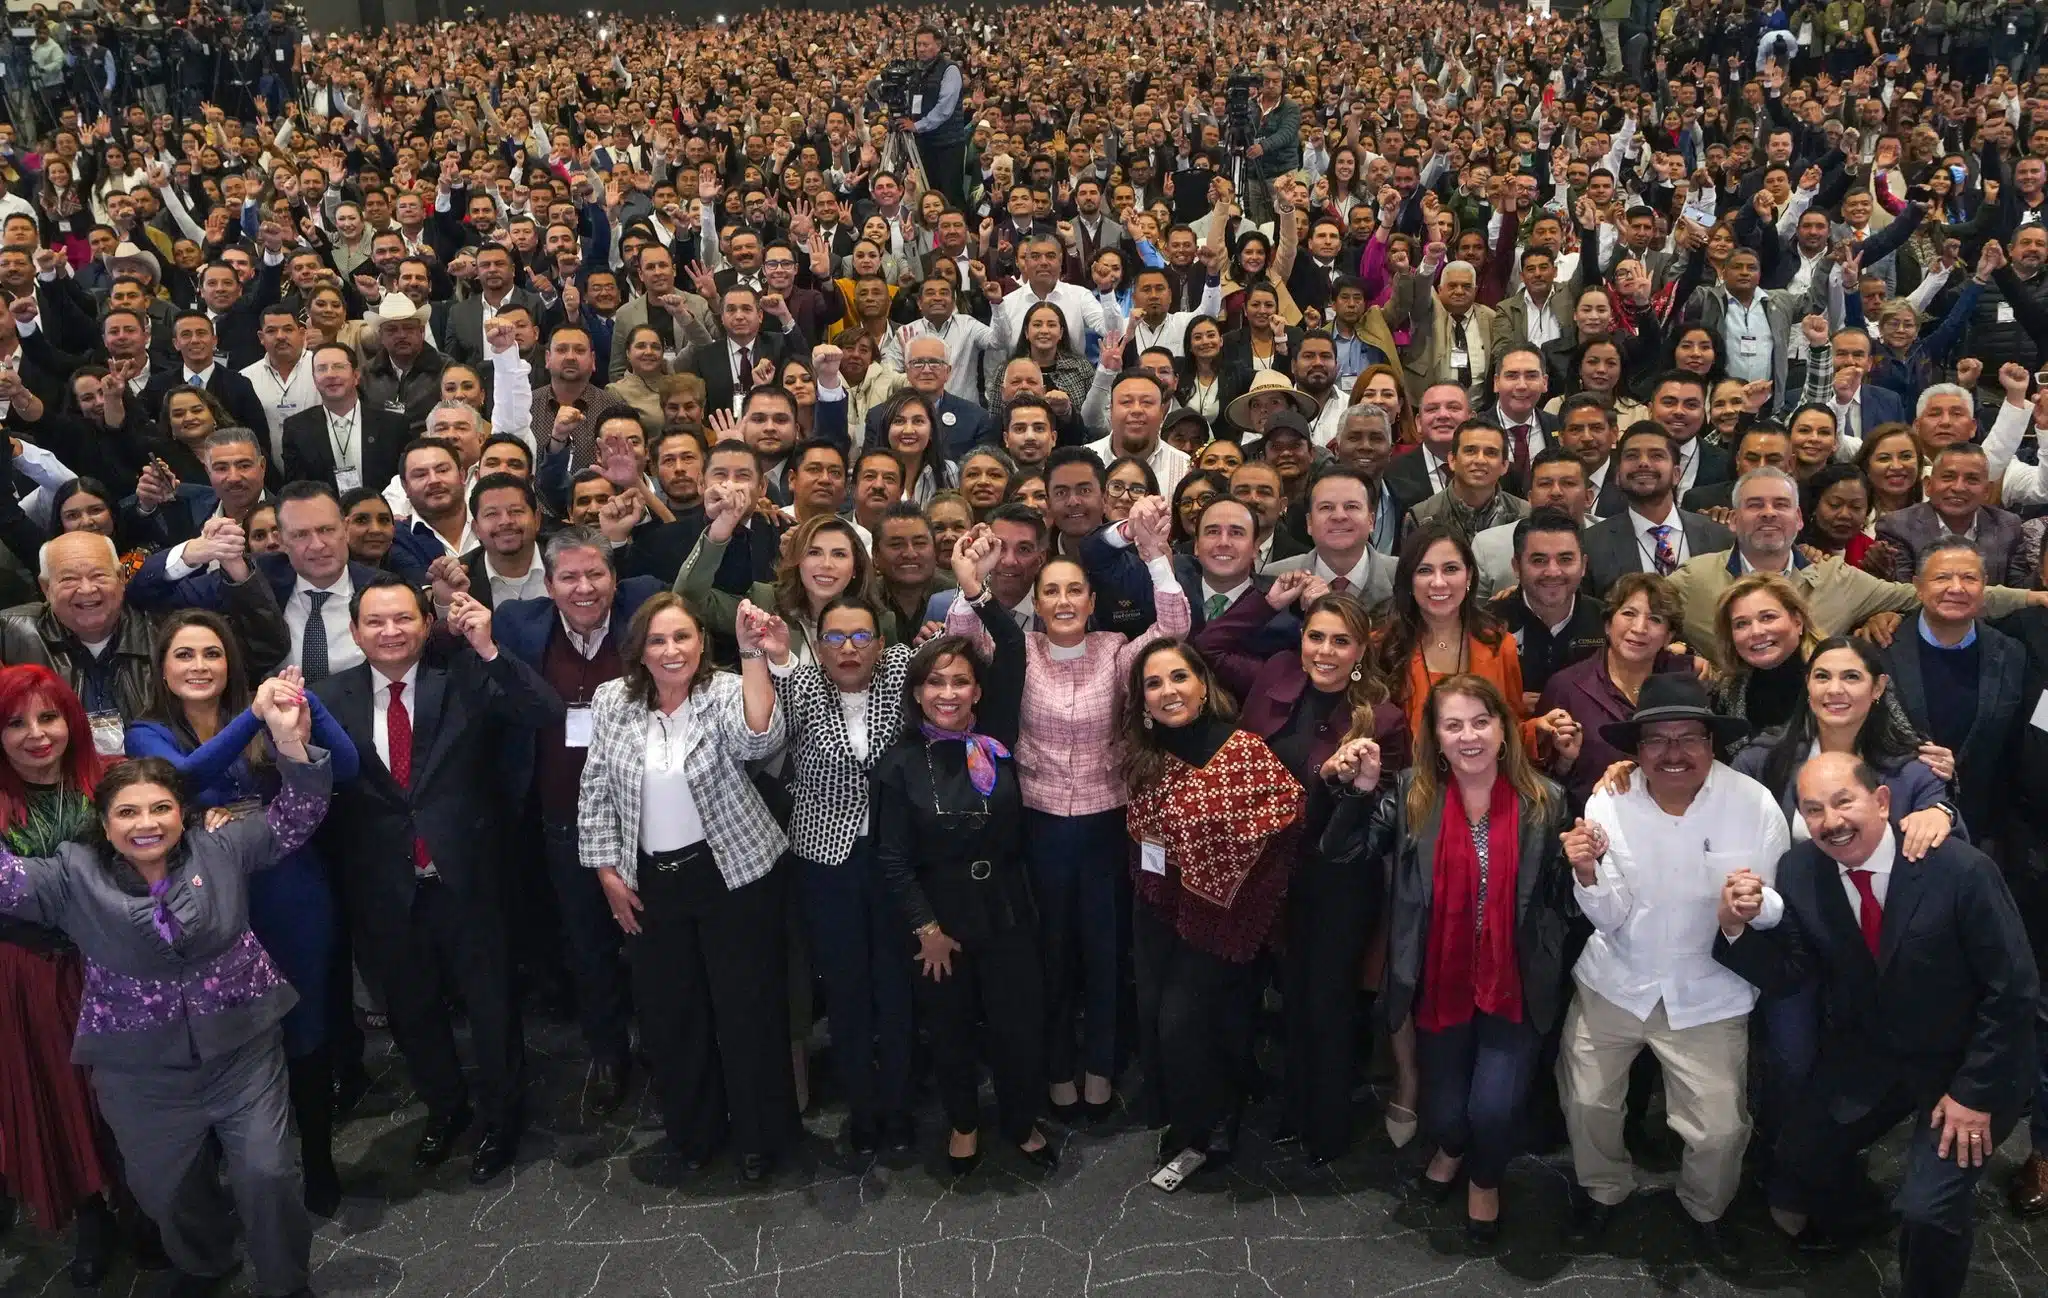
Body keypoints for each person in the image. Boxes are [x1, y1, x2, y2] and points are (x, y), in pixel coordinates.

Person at [0, 678, 333, 1298]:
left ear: (182, 812)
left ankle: (287, 1283)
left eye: (161, 808)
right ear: (103, 822)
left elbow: (300, 815)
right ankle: (208, 1265)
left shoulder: (224, 844)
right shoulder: (71, 873)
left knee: (267, 1175)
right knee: (166, 1192)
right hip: (137, 1070)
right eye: (127, 812)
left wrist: (292, 748)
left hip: (243, 1051)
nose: (146, 823)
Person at [1714, 753, 2038, 1298]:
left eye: (1844, 802)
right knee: (1800, 1151)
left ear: (1882, 802)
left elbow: (2013, 990)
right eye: (1814, 810)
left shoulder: (1960, 870)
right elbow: (1797, 971)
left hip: (1968, 1062)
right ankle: (1866, 1218)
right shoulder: (1801, 871)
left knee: (1930, 1210)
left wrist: (1974, 1093)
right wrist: (1733, 931)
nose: (1831, 821)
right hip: (1875, 1047)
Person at [310, 578, 565, 1186]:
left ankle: (503, 1117)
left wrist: (487, 647)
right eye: (376, 621)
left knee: (491, 1006)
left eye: (403, 619)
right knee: (412, 1012)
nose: (391, 631)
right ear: (355, 631)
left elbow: (545, 712)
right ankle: (446, 1109)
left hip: (469, 879)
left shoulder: (468, 679)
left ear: (428, 625)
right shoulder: (326, 698)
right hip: (383, 888)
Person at [942, 497, 1186, 1123]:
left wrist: (1156, 556)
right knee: (1049, 956)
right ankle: (1055, 1068)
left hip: (1108, 826)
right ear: (1038, 602)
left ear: (1091, 599)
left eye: (1075, 589)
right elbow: (961, 644)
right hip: (1041, 826)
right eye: (1051, 591)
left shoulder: (1115, 651)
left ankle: (1100, 1068)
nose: (1064, 601)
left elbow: (1176, 630)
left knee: (1105, 952)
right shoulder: (1017, 649)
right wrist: (969, 585)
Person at [126, 612, 361, 1216]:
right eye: (184, 655)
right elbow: (175, 782)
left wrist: (306, 705)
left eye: (211, 653)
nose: (199, 666)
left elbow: (348, 767)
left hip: (291, 889)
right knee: (233, 1037)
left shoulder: (263, 714)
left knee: (306, 1028)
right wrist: (254, 720)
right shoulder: (147, 731)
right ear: (163, 668)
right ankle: (246, 1172)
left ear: (230, 662)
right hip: (210, 906)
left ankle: (318, 1162)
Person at [1322, 673, 1570, 1240]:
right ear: (1434, 737)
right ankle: (1453, 1149)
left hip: (1515, 982)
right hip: (1439, 980)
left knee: (1495, 1111)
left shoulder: (1546, 800)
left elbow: (1563, 906)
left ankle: (1484, 1179)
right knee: (1446, 1114)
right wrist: (1358, 794)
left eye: (1481, 722)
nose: (1469, 737)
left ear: (1504, 730)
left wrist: (1583, 870)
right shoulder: (1412, 795)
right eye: (1452, 725)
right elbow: (1343, 853)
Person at [1559, 674, 1788, 1273]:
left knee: (1717, 1132)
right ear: (1636, 748)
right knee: (1587, 1104)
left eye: (1689, 737)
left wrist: (1750, 907)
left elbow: (1775, 907)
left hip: (1709, 991)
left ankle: (1706, 1211)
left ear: (1712, 742)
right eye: (1657, 740)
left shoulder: (1752, 803)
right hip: (1617, 978)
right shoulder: (1610, 799)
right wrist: (1585, 874)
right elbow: (1608, 916)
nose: (1674, 753)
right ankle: (1604, 1191)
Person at [577, 593, 794, 1182]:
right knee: (673, 1017)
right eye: (657, 640)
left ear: (702, 644)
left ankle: (759, 1138)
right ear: (638, 651)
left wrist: (751, 654)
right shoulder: (612, 701)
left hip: (733, 874)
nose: (671, 651)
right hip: (649, 883)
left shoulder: (724, 690)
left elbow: (759, 741)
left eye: (683, 638)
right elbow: (595, 786)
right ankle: (695, 1133)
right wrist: (606, 872)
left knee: (746, 1012)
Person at [1197, 579, 1410, 1163]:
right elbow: (1209, 647)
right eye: (1315, 636)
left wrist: (1348, 788)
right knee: (1279, 998)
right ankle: (1287, 1108)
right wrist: (1266, 601)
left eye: (1341, 641)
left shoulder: (1382, 719)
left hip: (1332, 881)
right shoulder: (1274, 678)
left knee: (1326, 1003)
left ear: (1361, 648)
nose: (1324, 651)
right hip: (1259, 870)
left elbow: (1379, 824)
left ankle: (1328, 1122)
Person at [873, 530, 1058, 1173]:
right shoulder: (899, 763)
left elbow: (1009, 644)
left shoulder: (996, 735)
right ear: (917, 693)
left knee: (1016, 1023)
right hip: (940, 915)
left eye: (960, 683)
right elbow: (892, 858)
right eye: (935, 684)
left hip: (1008, 905)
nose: (949, 694)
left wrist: (974, 588)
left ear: (977, 692)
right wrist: (924, 927)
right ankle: (961, 1121)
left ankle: (1019, 1117)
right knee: (949, 1028)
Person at [1123, 639, 1302, 1189]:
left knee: (1187, 1024)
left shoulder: (1243, 750)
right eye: (1153, 684)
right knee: (1165, 1018)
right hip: (1160, 910)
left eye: (1179, 677)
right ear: (1143, 702)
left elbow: (1285, 812)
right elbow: (1146, 839)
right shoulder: (1147, 759)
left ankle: (1209, 1127)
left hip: (1230, 920)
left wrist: (1231, 887)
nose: (1168, 691)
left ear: (1203, 684)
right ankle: (1196, 1119)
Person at [763, 588, 918, 1156]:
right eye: (834, 637)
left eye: (860, 637)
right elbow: (768, 727)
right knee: (846, 987)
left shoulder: (901, 672)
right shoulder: (801, 683)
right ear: (818, 646)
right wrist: (778, 656)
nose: (848, 648)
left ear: (880, 642)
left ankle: (899, 1110)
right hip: (824, 859)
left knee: (896, 984)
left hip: (896, 858)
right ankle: (863, 1108)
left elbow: (956, 657)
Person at [0, 667, 128, 1286]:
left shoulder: (106, 779)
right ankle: (91, 1214)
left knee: (124, 1093)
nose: (36, 735)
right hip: (32, 974)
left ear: (71, 720)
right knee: (60, 1093)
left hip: (114, 964)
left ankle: (143, 1205)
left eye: (47, 717)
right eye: (15, 723)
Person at [1538, 573, 1693, 806]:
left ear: (1669, 636)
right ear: (1608, 624)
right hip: (1590, 827)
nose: (1639, 628)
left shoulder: (1687, 680)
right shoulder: (1566, 687)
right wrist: (1564, 763)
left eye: (1655, 619)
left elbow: (1705, 761)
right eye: (1629, 614)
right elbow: (1540, 785)